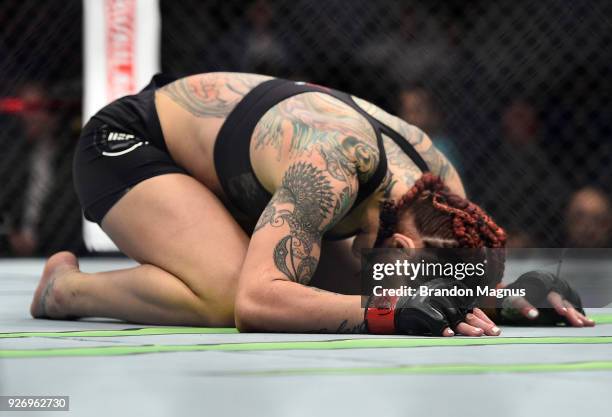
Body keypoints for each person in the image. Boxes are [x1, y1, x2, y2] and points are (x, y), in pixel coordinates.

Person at [30, 72, 592, 335]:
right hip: (136, 145)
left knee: (351, 281)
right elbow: (257, 303)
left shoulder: (441, 187)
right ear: (399, 243)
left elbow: (449, 278)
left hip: (238, 175)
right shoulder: (328, 169)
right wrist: (384, 313)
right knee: (231, 293)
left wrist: (519, 295)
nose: (413, 288)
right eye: (412, 274)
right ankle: (64, 291)